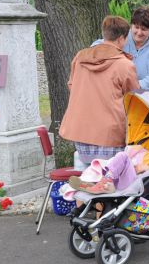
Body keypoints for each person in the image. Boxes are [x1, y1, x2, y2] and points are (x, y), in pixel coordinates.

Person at [60, 16, 140, 165]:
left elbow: (72, 85)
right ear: (122, 38)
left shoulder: (79, 58)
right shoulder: (124, 65)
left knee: (91, 179)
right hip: (111, 139)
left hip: (81, 138)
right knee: (114, 181)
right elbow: (134, 100)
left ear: (105, 34)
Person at [122, 6, 149, 96]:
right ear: (131, 25)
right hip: (126, 97)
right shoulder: (122, 37)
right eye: (136, 27)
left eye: (144, 29)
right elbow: (106, 42)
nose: (139, 32)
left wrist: (132, 86)